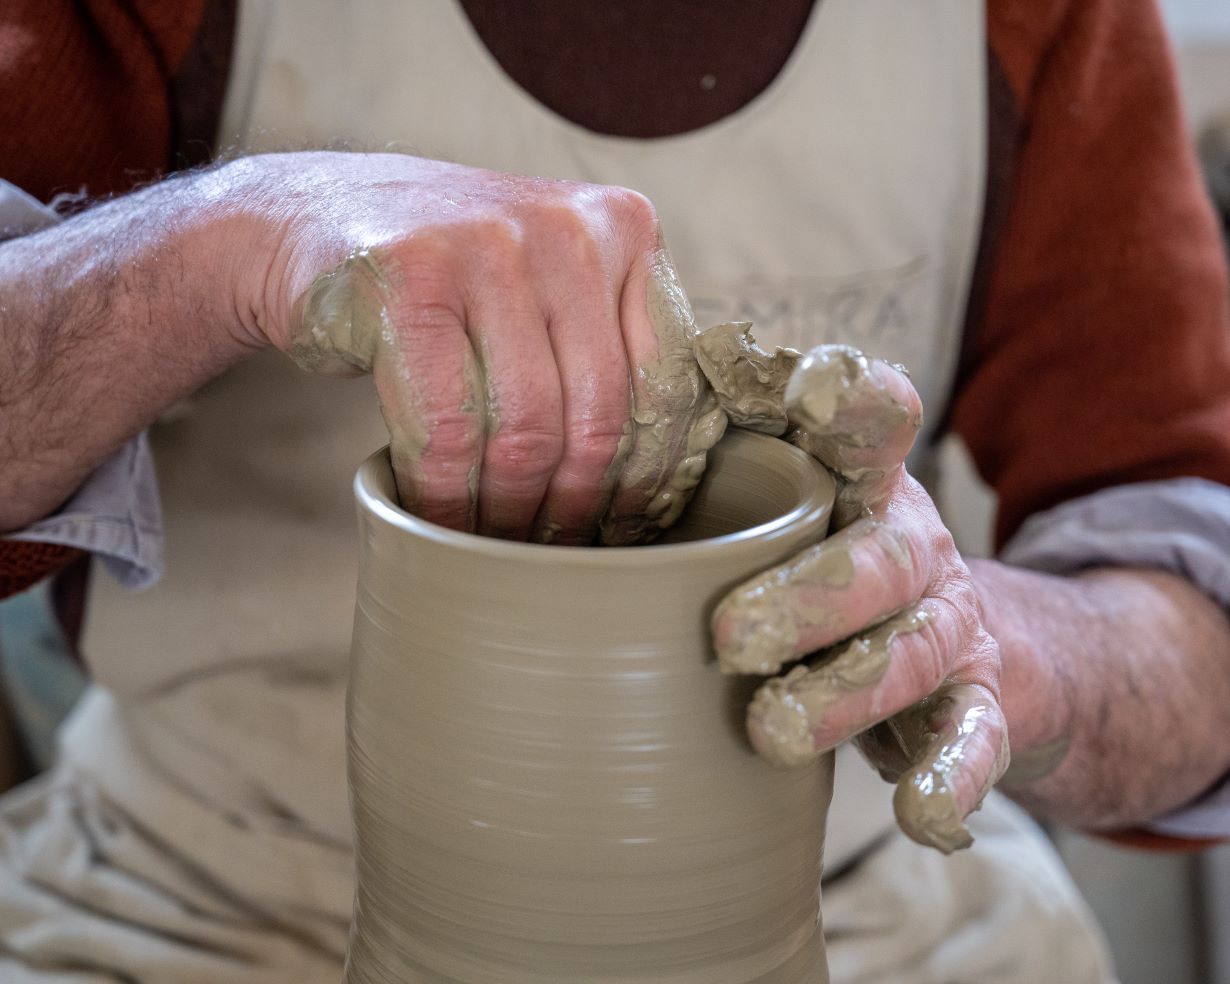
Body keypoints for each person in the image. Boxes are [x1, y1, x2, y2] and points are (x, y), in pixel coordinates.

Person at [1, 0, 1228, 981]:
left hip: (846, 908)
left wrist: (1022, 650)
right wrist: (224, 243)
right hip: (210, 894)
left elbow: (1198, 593)